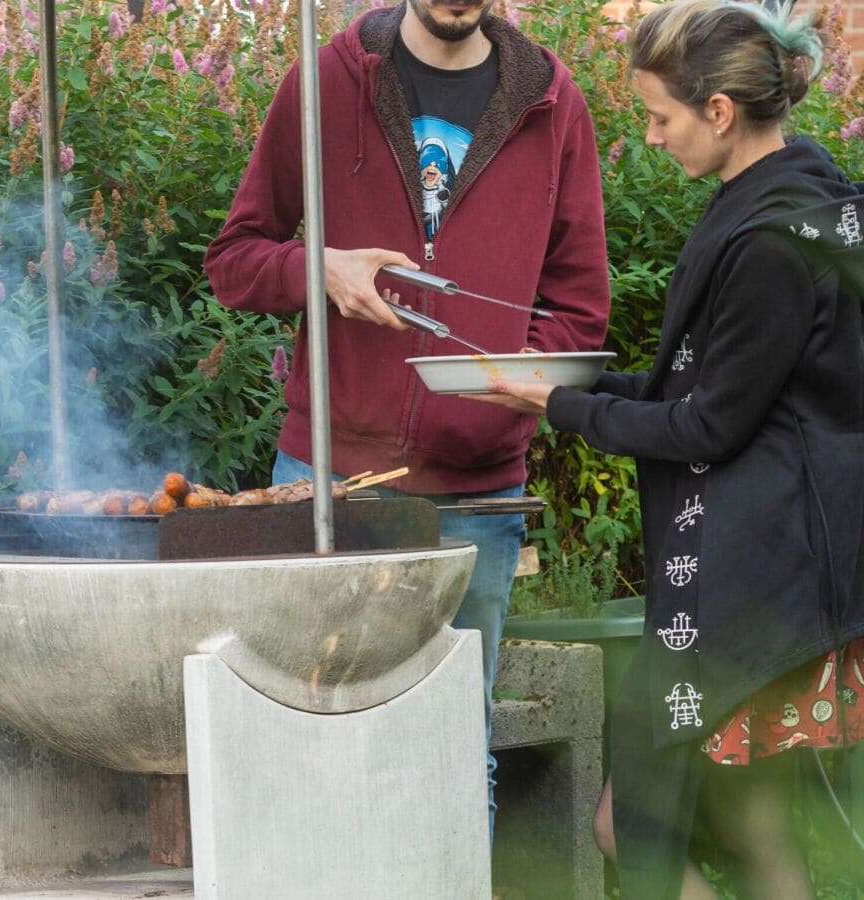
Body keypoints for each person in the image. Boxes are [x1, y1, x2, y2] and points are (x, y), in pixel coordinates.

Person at [474, 1, 864, 896]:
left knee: (627, 819)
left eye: (659, 116)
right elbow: (704, 389)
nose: (651, 136)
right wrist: (566, 385)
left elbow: (710, 426)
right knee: (749, 824)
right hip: (767, 566)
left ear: (718, 111)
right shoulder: (781, 201)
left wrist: (563, 407)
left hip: (760, 580)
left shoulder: (775, 243)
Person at [203, 0, 611, 835]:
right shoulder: (324, 81)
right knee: (313, 750)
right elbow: (235, 258)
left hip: (476, 497)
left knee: (454, 758)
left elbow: (579, 309)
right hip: (325, 485)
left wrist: (507, 383)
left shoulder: (552, 101)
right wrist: (320, 266)